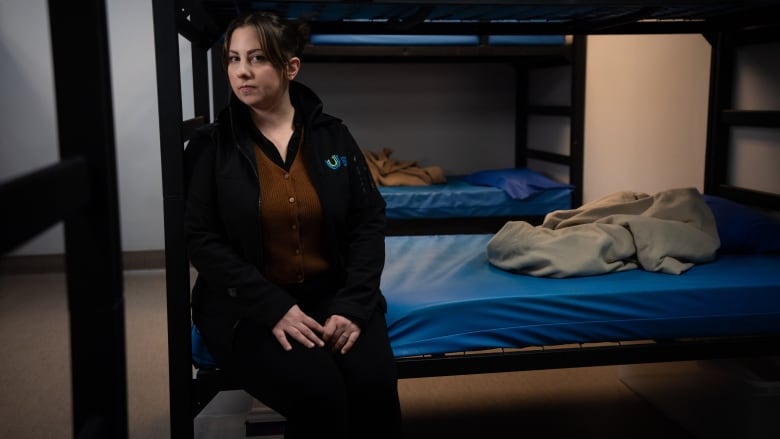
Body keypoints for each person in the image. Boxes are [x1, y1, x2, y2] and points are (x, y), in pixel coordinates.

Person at [183, 10, 402, 439]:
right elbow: (200, 238)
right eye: (233, 59)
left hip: (332, 294)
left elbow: (368, 220)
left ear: (290, 67)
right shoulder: (211, 146)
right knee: (319, 393)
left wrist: (354, 306)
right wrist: (272, 306)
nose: (241, 71)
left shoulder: (332, 136)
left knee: (374, 386)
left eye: (258, 59)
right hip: (247, 307)